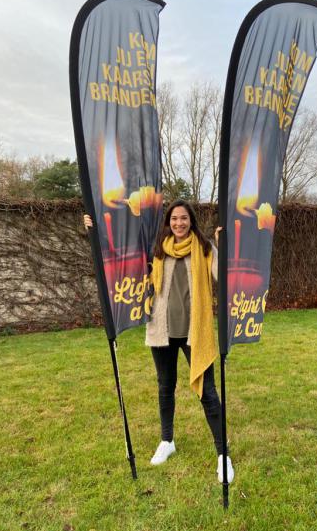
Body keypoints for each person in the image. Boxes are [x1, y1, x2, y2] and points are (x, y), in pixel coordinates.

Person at [84, 200, 234, 483]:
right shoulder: (157, 250)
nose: (179, 223)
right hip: (161, 332)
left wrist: (220, 244)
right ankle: (167, 441)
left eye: (184, 218)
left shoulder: (203, 249)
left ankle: (222, 453)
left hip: (195, 333)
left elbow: (222, 277)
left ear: (191, 221)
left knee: (209, 394)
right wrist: (95, 232)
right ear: (169, 221)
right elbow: (120, 256)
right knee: (165, 388)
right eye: (174, 219)